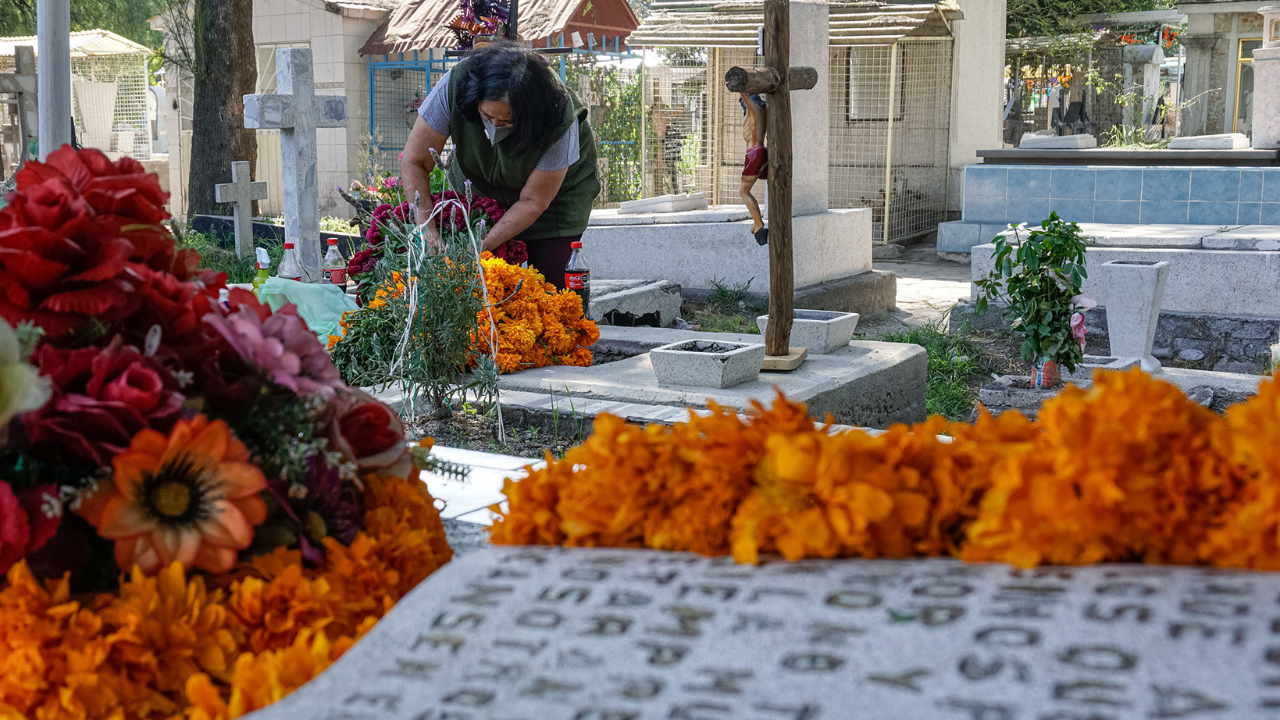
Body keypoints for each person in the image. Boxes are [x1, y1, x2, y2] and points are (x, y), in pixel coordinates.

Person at [400, 41, 601, 289]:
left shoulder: (558, 117)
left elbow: (533, 201)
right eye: (487, 117)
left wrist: (478, 247)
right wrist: (426, 231)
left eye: (506, 122)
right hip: (479, 189)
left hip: (554, 203)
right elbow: (415, 161)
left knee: (554, 295)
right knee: (480, 290)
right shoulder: (456, 86)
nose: (494, 127)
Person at [739, 92, 768, 246]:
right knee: (746, 190)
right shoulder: (762, 111)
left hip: (754, 154)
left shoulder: (753, 109)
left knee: (743, 191)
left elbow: (743, 92)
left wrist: (741, 88)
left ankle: (759, 224)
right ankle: (757, 222)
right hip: (761, 152)